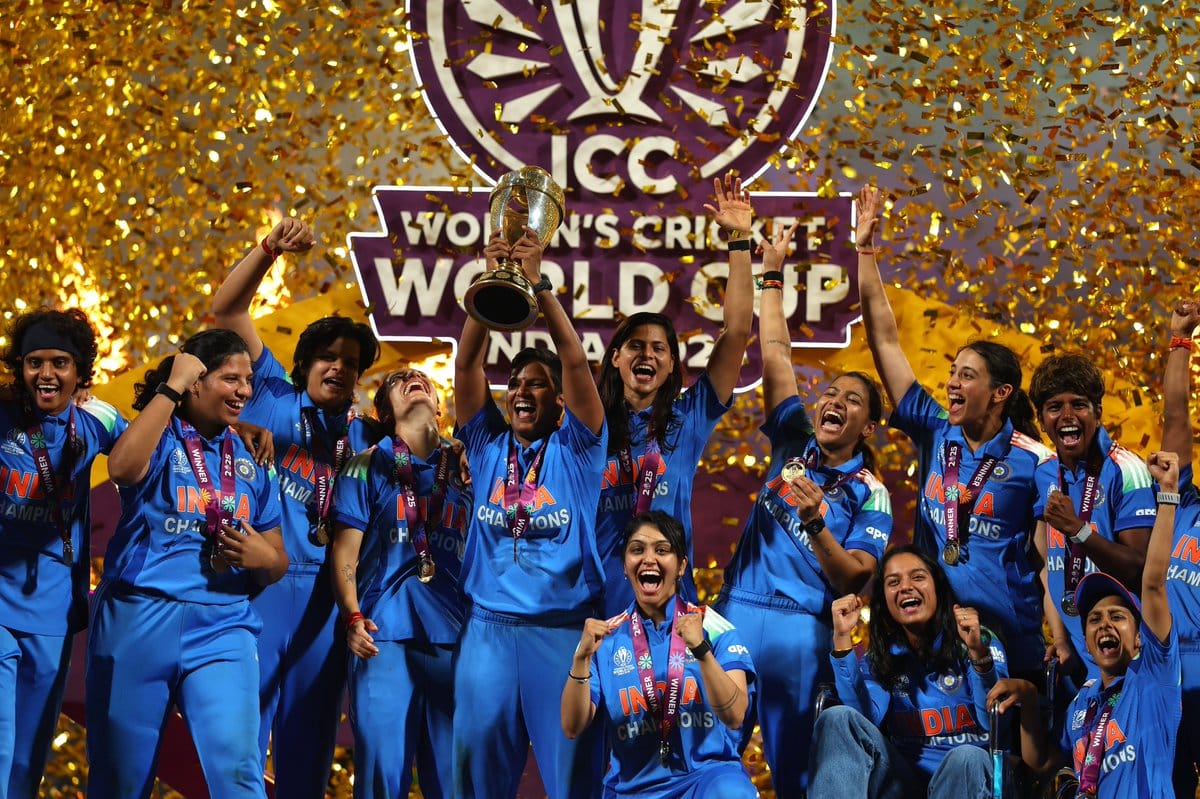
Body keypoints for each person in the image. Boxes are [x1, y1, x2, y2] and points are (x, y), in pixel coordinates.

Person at [712, 222, 892, 797]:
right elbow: (776, 351)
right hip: (735, 613)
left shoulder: (870, 491)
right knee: (708, 758)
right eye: (831, 393)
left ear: (869, 426)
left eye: (853, 400)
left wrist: (815, 524)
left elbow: (854, 580)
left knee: (794, 774)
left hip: (800, 631)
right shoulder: (793, 439)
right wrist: (771, 272)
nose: (834, 401)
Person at [211, 218, 382, 796]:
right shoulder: (269, 391)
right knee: (239, 746)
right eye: (327, 357)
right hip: (255, 586)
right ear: (304, 363)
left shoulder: (366, 437)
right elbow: (227, 309)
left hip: (327, 602)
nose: (339, 368)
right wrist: (268, 250)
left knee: (306, 755)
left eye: (351, 362)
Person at [856, 184, 1051, 680]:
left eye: (967, 375)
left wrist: (1064, 637)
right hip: (934, 632)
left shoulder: (1036, 461)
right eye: (952, 373)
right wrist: (866, 252)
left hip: (1010, 631)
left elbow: (1048, 559)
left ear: (1000, 392)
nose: (952, 383)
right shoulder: (934, 429)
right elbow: (884, 341)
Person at [86, 329, 288, 799]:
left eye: (247, 380)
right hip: (139, 619)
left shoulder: (253, 455)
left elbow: (276, 557)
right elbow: (122, 469)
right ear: (195, 381)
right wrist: (172, 385)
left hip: (224, 625)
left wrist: (267, 558)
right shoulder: (157, 435)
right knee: (120, 781)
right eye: (230, 378)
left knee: (240, 774)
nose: (244, 390)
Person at [451, 226, 608, 799]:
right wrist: (491, 282)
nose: (520, 391)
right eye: (515, 382)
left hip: (561, 636)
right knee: (476, 782)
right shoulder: (486, 446)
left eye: (537, 385)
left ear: (559, 400)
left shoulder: (580, 450)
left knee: (572, 783)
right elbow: (467, 367)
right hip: (487, 635)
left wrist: (539, 287)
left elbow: (576, 362)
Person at [595, 172, 754, 614]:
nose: (647, 354)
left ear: (670, 367)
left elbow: (737, 332)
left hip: (670, 604)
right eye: (635, 346)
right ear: (615, 358)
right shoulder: (589, 425)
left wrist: (739, 242)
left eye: (659, 349)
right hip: (595, 603)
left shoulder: (688, 418)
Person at [988, 449, 1180, 799]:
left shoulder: (1153, 679)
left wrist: (1167, 495)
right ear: (1087, 641)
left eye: (1117, 617)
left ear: (1139, 638)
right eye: (1094, 619)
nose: (1104, 625)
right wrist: (1028, 700)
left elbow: (1152, 583)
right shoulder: (1082, 704)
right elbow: (1042, 763)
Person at [0, 309, 126, 799]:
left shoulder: (97, 419)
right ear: (19, 367)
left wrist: (239, 432)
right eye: (34, 362)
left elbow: (156, 445)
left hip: (52, 610)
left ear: (80, 371)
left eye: (60, 362)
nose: (46, 374)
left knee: (26, 761)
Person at [330, 368, 470, 799]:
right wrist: (352, 616)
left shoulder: (470, 467)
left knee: (456, 785)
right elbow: (344, 553)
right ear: (386, 413)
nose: (413, 378)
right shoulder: (366, 465)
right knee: (380, 780)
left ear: (439, 407)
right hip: (383, 637)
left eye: (422, 378)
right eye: (398, 381)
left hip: (457, 642)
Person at [561, 510, 756, 799]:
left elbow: (735, 716)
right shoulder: (606, 638)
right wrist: (581, 659)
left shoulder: (714, 627)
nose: (649, 559)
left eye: (662, 550)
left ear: (681, 566)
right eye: (637, 550)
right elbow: (572, 726)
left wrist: (701, 651)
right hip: (632, 788)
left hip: (705, 778)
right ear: (625, 566)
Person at [809, 545, 1009, 798]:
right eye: (894, 582)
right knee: (837, 717)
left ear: (938, 587)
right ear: (884, 600)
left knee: (967, 757)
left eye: (917, 577)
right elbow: (862, 720)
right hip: (904, 785)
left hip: (967, 780)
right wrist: (841, 638)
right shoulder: (883, 655)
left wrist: (978, 654)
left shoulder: (977, 640)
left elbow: (994, 723)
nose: (905, 587)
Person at [1029, 352, 1155, 681]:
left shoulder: (1127, 470)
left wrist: (1078, 530)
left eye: (1079, 404)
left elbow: (1139, 567)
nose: (1067, 416)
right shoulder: (1044, 473)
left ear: (1098, 412)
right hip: (1074, 654)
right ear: (1041, 420)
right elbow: (1049, 564)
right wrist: (1060, 639)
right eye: (1055, 407)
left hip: (1127, 655)